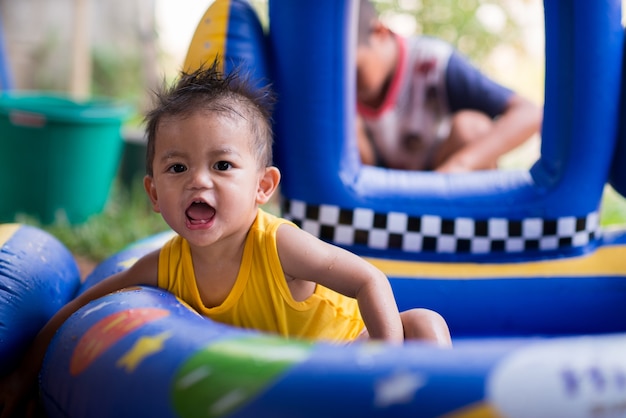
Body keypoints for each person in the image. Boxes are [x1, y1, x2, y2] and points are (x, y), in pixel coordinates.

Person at [0, 61, 451, 417]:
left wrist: (388, 366)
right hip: (281, 388)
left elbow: (369, 280)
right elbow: (80, 308)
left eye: (222, 165)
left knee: (425, 323)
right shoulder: (164, 265)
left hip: (347, 360)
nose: (199, 181)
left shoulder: (279, 245)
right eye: (177, 168)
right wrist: (24, 375)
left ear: (263, 186)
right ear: (154, 194)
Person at [356, 0, 543, 173]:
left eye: (356, 70)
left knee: (472, 127)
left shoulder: (433, 61)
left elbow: (529, 113)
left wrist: (460, 164)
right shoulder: (339, 87)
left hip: (443, 179)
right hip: (379, 189)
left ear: (380, 33)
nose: (349, 81)